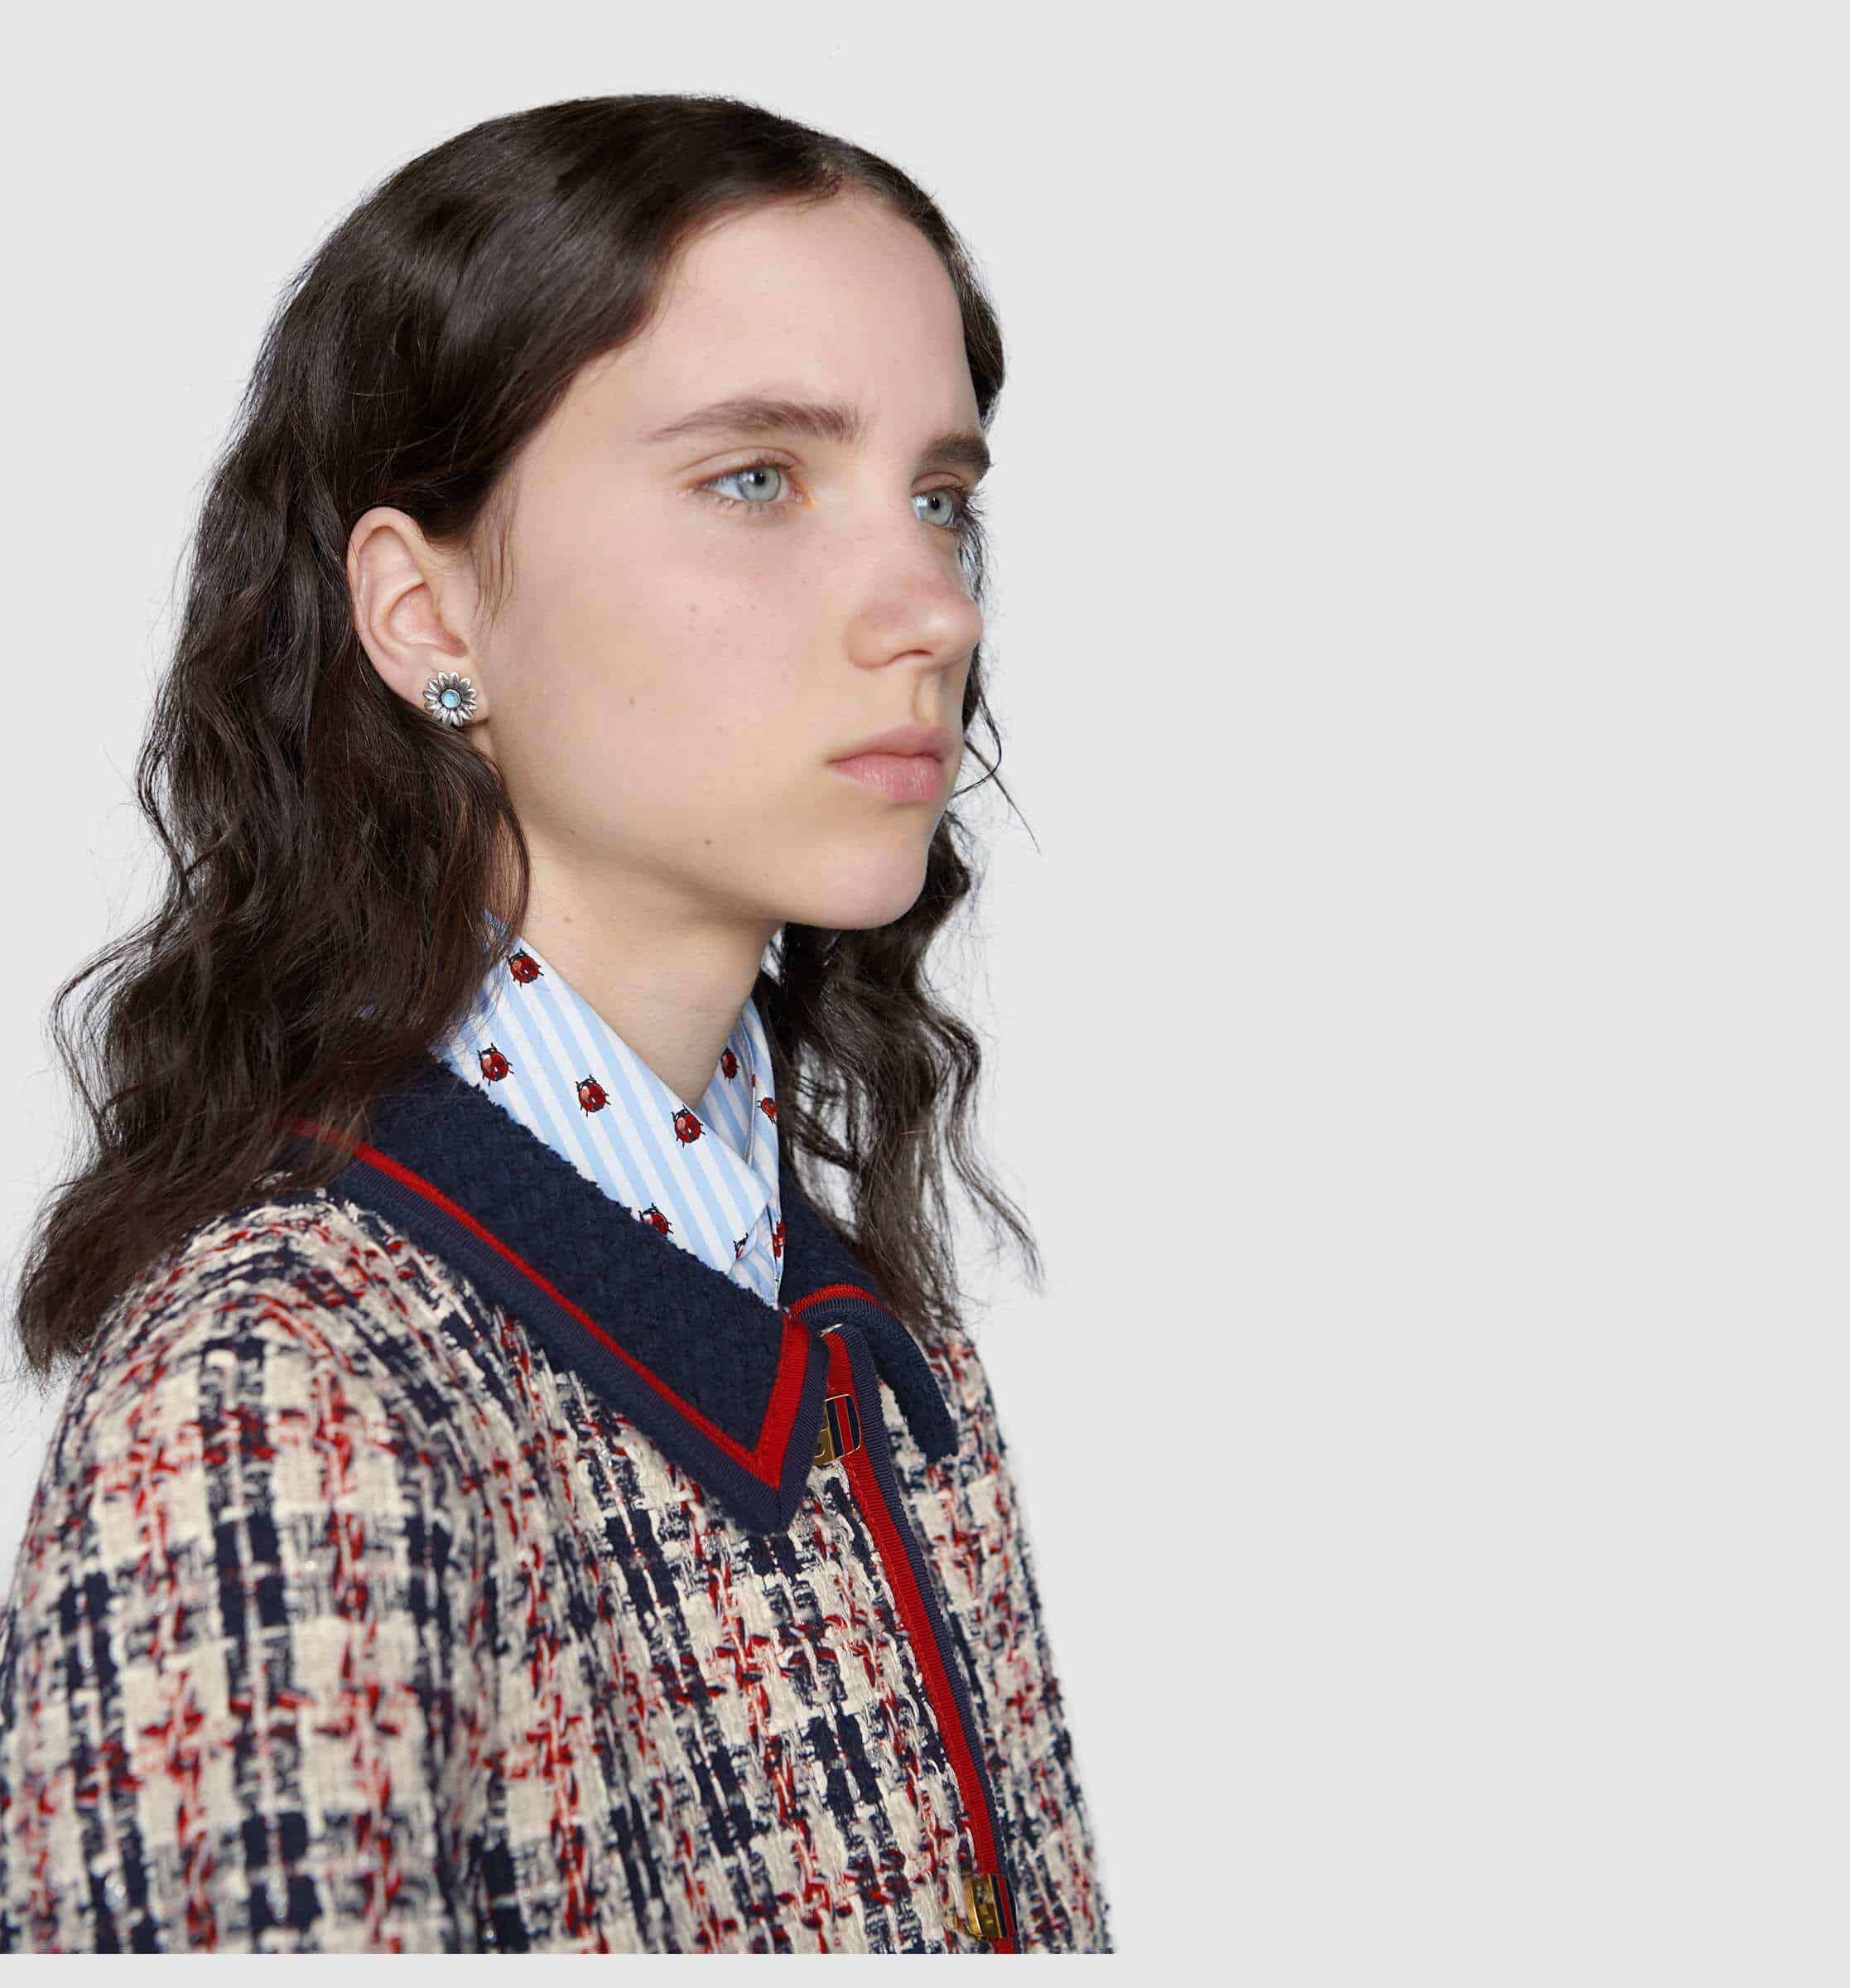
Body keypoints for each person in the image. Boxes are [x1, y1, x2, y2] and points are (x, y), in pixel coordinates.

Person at [0, 93, 1110, 1954]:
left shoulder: (886, 1353)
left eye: (941, 499)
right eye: (756, 479)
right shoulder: (276, 1398)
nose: (929, 606)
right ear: (425, 612)